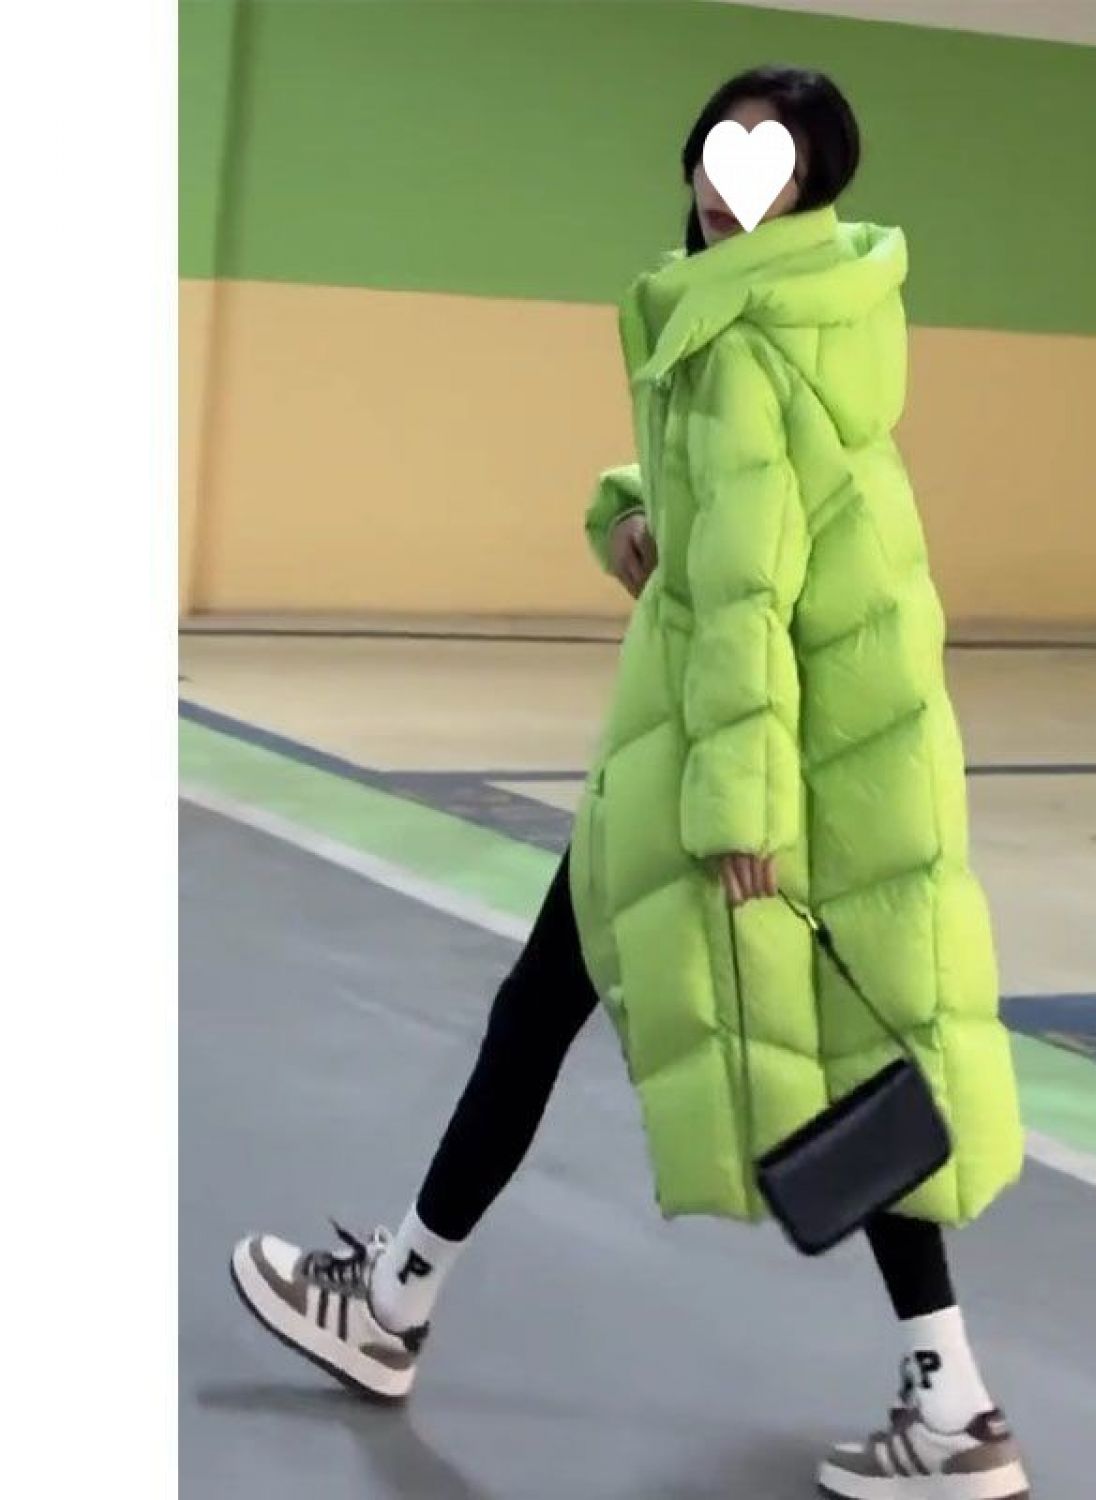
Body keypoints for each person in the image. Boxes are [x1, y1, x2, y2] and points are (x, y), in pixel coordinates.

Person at [230, 64, 1028, 1499]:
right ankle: (949, 1396)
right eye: (723, 151)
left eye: (767, 163)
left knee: (611, 1023)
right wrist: (636, 513)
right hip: (828, 746)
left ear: (811, 186)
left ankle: (398, 1303)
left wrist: (738, 808)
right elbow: (752, 521)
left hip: (759, 761)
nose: (728, 184)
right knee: (756, 1040)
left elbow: (747, 599)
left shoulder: (737, 343)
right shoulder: (808, 313)